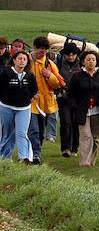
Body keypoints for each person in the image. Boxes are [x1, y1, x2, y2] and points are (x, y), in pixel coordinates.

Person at [67, 50, 99, 167]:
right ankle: (85, 162)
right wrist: (74, 106)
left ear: (97, 62)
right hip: (82, 111)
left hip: (97, 111)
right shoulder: (77, 76)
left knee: (95, 138)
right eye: (88, 59)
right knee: (86, 136)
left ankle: (92, 161)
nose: (91, 62)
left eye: (93, 59)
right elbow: (71, 93)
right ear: (83, 61)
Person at [28, 36, 64, 165]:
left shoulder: (50, 64)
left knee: (41, 132)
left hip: (44, 104)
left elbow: (58, 83)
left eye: (44, 50)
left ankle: (36, 151)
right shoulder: (26, 61)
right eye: (39, 50)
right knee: (33, 130)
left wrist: (50, 76)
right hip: (30, 102)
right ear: (34, 48)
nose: (41, 52)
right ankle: (35, 155)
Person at [0, 51, 38, 162]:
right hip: (6, 107)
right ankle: (5, 157)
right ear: (14, 60)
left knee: (21, 133)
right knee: (8, 133)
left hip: (23, 108)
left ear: (27, 62)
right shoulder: (5, 73)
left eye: (24, 59)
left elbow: (33, 91)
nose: (22, 61)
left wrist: (27, 99)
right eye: (20, 58)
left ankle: (24, 157)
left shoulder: (30, 75)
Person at [55, 43, 82, 158]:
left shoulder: (81, 63)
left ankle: (74, 148)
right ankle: (65, 148)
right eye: (68, 55)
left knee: (76, 124)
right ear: (64, 55)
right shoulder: (59, 63)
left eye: (73, 55)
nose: (71, 57)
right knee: (66, 123)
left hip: (77, 99)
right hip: (63, 98)